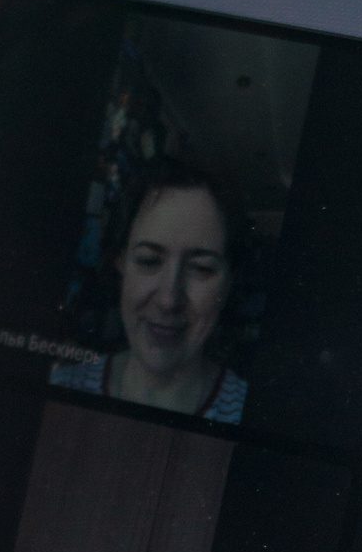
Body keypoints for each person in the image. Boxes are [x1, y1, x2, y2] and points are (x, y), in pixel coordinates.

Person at [51, 172, 251, 425]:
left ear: (229, 281)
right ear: (121, 264)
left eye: (201, 268)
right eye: (149, 261)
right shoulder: (61, 387)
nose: (168, 300)